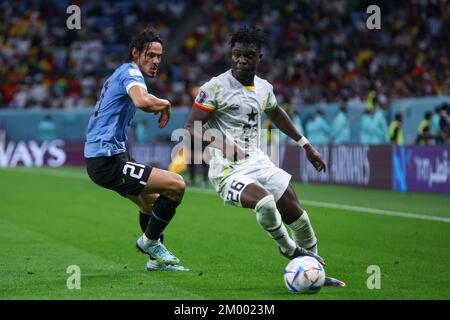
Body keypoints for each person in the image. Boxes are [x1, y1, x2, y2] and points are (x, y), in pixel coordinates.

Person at [184, 27, 344, 287]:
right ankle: (289, 250)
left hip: (257, 160)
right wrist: (224, 146)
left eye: (248, 55)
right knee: (265, 203)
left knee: (298, 215)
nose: (241, 60)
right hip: (227, 169)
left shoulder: (264, 87)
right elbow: (191, 128)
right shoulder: (214, 87)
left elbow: (276, 113)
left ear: (260, 57)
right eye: (236, 54)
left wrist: (306, 145)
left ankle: (314, 268)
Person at [84, 28, 188, 272]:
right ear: (136, 53)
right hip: (107, 160)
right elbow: (142, 102)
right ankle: (149, 243)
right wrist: (166, 103)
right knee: (176, 185)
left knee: (150, 204)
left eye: (159, 57)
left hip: (107, 157)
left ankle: (156, 261)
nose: (155, 61)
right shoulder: (131, 72)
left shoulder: (120, 73)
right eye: (150, 55)